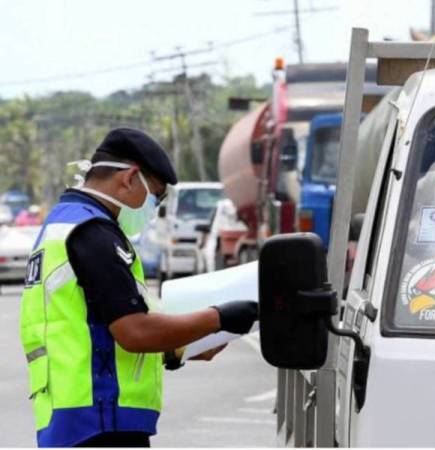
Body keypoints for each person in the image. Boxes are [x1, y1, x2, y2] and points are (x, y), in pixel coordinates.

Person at [19, 128, 258, 448]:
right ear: (130, 178)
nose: (154, 207)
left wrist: (180, 348)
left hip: (75, 420)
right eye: (156, 196)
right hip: (100, 422)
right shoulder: (94, 233)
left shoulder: (64, 223)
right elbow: (134, 332)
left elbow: (92, 334)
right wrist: (219, 318)